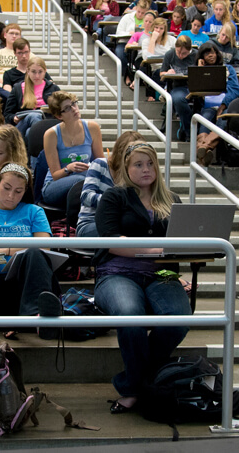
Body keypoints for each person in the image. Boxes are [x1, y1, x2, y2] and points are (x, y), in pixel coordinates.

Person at [94, 142, 191, 414]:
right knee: (129, 314)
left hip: (161, 273)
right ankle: (138, 388)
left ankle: (138, 380)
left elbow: (178, 248)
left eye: (150, 163)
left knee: (179, 319)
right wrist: (156, 249)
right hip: (117, 272)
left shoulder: (171, 201)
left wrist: (174, 270)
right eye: (138, 164)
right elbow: (111, 242)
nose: (146, 169)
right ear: (126, 167)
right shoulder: (114, 197)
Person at [0, 163, 60, 329]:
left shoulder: (34, 211)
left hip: (25, 283)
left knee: (34, 252)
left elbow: (45, 248)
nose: (11, 196)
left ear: (24, 192)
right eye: (6, 188)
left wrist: (7, 249)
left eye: (18, 191)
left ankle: (37, 317)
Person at [77, 130, 144, 237]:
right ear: (120, 153)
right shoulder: (100, 164)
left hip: (121, 222)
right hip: (91, 224)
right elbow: (86, 196)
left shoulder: (135, 174)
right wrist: (114, 203)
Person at [42, 91, 104, 207]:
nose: (74, 109)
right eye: (67, 108)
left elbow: (100, 164)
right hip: (55, 186)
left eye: (74, 104)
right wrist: (68, 168)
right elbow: (55, 175)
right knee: (79, 180)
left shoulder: (92, 128)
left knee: (91, 180)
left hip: (84, 182)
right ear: (59, 116)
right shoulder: (51, 135)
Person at [192, 42, 239, 165]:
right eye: (207, 53)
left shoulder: (228, 69)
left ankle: (203, 147)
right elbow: (193, 91)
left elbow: (235, 89)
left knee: (222, 120)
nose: (210, 56)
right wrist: (199, 70)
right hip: (207, 106)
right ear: (201, 56)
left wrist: (224, 104)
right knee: (205, 119)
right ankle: (205, 151)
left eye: (212, 52)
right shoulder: (199, 70)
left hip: (225, 106)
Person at [4, 57, 60, 141]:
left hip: (46, 123)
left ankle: (35, 148)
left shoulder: (53, 88)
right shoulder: (18, 88)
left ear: (45, 71)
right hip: (23, 123)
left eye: (40, 72)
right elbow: (7, 114)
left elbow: (61, 111)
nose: (37, 76)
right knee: (34, 116)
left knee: (29, 132)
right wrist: (13, 118)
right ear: (28, 71)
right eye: (33, 72)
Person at [159, 35, 197, 141]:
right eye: (178, 52)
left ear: (190, 50)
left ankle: (190, 130)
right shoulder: (170, 54)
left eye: (184, 53)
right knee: (178, 99)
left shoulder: (196, 55)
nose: (180, 55)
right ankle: (190, 131)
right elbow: (161, 73)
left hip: (194, 86)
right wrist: (167, 73)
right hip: (178, 87)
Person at [0, 23, 25, 101]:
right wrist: (6, 83)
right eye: (11, 33)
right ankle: (16, 101)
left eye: (17, 34)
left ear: (20, 37)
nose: (14, 36)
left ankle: (13, 100)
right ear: (5, 35)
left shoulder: (26, 54)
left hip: (20, 87)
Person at [139, 17, 176, 101]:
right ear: (153, 28)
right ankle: (165, 92)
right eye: (156, 27)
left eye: (161, 28)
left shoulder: (171, 40)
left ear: (164, 30)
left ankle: (166, 92)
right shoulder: (146, 41)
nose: (158, 30)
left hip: (170, 68)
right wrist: (153, 40)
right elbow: (147, 57)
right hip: (156, 69)